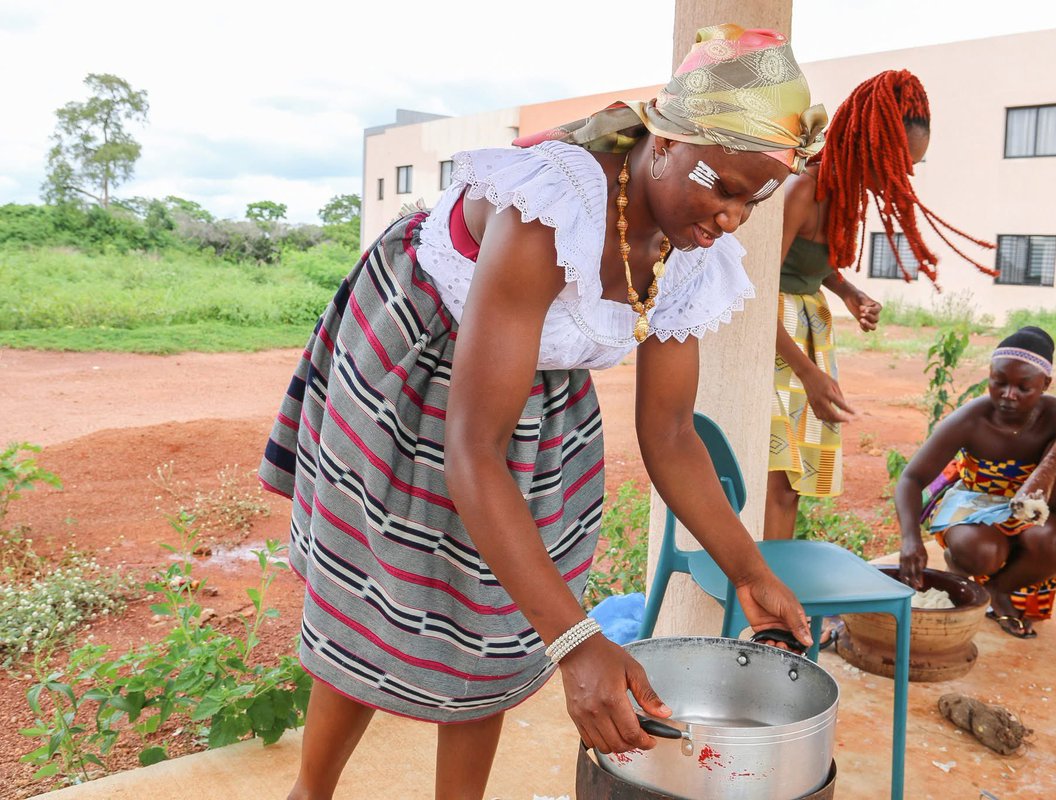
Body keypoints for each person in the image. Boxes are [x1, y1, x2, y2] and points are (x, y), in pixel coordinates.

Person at [258, 25, 826, 800]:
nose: (731, 219)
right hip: (420, 366)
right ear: (661, 141)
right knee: (379, 595)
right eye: (722, 187)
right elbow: (472, 449)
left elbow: (668, 431)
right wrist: (578, 643)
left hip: (533, 397)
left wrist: (748, 569)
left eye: (752, 202)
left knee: (494, 613)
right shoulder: (550, 204)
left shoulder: (691, 253)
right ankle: (310, 792)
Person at [764, 70, 992, 541]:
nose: (900, 177)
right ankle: (762, 590)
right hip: (775, 341)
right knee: (773, 475)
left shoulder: (842, 197)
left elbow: (807, 264)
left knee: (794, 481)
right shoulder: (802, 190)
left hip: (806, 331)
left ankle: (775, 587)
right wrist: (806, 370)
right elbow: (756, 287)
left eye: (911, 167)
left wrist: (847, 292)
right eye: (894, 162)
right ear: (865, 146)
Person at [895, 326, 1056, 638]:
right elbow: (911, 478)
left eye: (1023, 388)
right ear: (989, 375)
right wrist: (910, 538)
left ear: (1045, 384)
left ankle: (1000, 590)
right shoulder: (972, 418)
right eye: (999, 383)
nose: (1008, 395)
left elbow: (1054, 502)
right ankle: (959, 560)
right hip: (973, 503)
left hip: (1032, 507)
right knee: (982, 551)